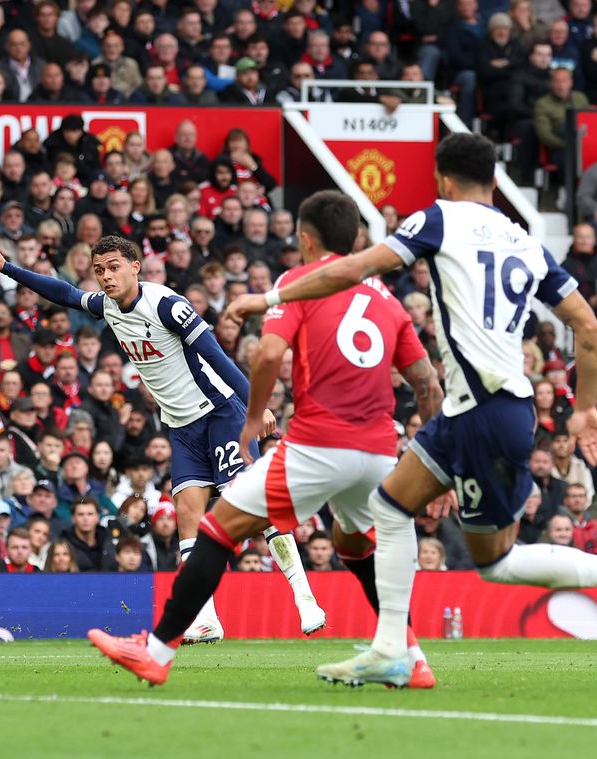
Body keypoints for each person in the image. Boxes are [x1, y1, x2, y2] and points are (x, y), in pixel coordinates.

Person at [221, 133, 597, 687]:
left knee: (478, 553)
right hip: (496, 408)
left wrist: (268, 299)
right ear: (493, 180)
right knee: (404, 514)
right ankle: (393, 648)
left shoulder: (438, 220)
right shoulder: (525, 241)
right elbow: (587, 325)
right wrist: (584, 409)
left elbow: (349, 269)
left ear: (442, 179)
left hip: (481, 411)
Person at [87, 191, 442, 688]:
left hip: (320, 445)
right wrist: (436, 462)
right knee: (356, 544)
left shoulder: (295, 285)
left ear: (305, 238)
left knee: (216, 530)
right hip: (381, 450)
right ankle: (411, 656)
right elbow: (426, 382)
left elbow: (269, 354)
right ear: (356, 240)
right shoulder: (388, 300)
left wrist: (253, 416)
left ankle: (157, 651)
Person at [0, 236, 321, 644]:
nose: (106, 277)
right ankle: (206, 619)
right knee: (187, 517)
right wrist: (7, 268)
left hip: (220, 413)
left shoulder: (166, 305)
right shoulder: (107, 306)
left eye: (113, 267)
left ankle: (305, 599)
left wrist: (256, 406)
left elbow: (216, 355)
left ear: (135, 267)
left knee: (248, 507)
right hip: (180, 425)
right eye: (99, 270)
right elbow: (66, 293)